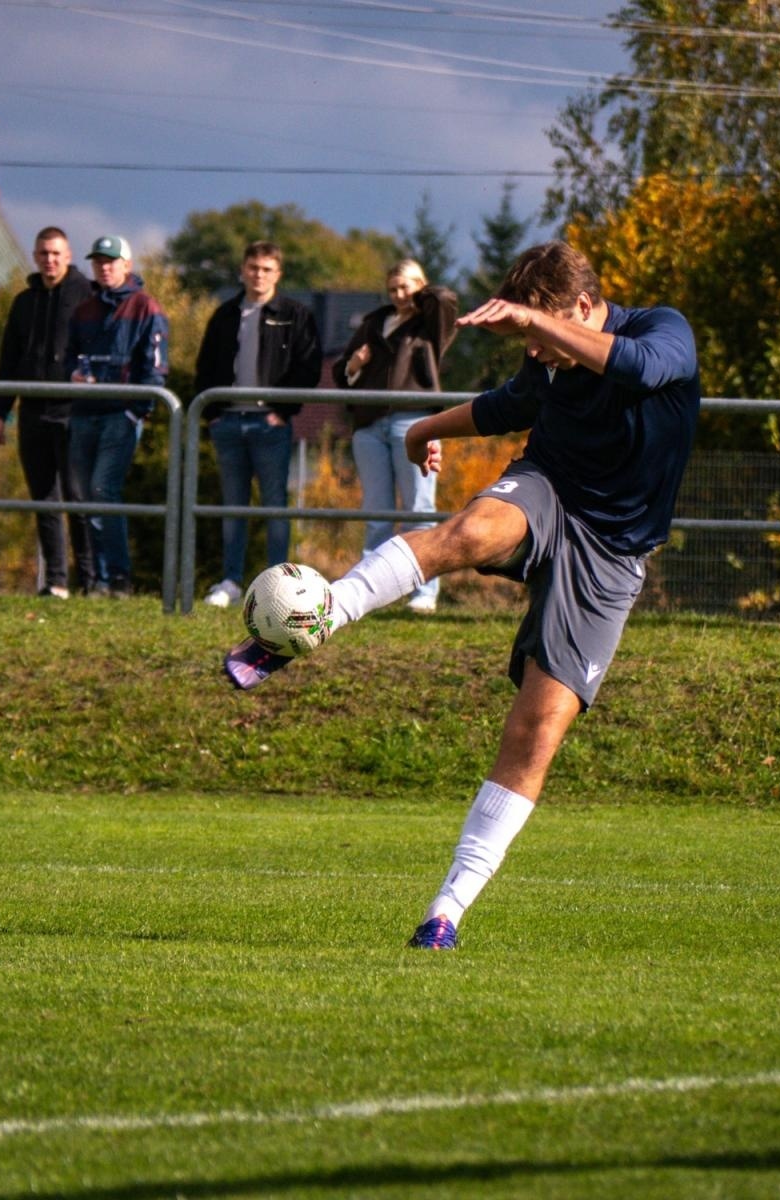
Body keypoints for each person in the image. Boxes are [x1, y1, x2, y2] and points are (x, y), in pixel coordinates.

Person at [225, 241, 701, 950]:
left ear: (579, 308)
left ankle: (445, 910)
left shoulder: (661, 331)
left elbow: (637, 368)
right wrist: (423, 427)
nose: (536, 354)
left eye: (544, 335)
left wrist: (537, 328)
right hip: (549, 491)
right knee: (471, 530)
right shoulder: (548, 356)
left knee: (535, 732)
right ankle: (318, 618)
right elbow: (507, 405)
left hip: (613, 555)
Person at [193, 241, 322, 608]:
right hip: (228, 422)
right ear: (242, 269)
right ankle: (230, 582)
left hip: (271, 425)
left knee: (273, 506)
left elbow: (308, 368)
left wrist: (282, 410)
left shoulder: (296, 315)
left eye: (266, 269)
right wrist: (213, 414)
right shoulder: (225, 314)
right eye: (253, 267)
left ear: (278, 273)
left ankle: (278, 586)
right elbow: (204, 368)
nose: (259, 275)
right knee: (233, 507)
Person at [334, 259, 458, 614]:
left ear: (421, 286)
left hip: (415, 421)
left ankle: (425, 591)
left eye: (407, 287)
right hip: (370, 424)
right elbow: (341, 374)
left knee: (419, 509)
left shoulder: (430, 323)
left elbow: (446, 300)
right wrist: (355, 365)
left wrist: (422, 293)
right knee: (377, 513)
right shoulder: (374, 323)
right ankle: (369, 594)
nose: (399, 294)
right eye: (393, 289)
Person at [62, 234, 170, 598]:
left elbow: (154, 369)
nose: (104, 267)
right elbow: (68, 360)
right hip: (83, 414)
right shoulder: (85, 310)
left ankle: (117, 579)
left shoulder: (145, 308)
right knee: (83, 497)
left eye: (111, 261)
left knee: (102, 491)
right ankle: (97, 580)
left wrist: (134, 411)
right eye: (98, 262)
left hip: (119, 416)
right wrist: (72, 377)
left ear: (127, 265)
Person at [0, 226, 95, 599]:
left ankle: (89, 580)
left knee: (77, 497)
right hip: (32, 413)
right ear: (35, 257)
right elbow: (9, 360)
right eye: (43, 254)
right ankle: (56, 581)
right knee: (44, 500)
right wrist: (0, 411)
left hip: (73, 413)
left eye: (56, 254)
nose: (49, 260)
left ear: (68, 256)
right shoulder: (24, 302)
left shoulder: (86, 297)